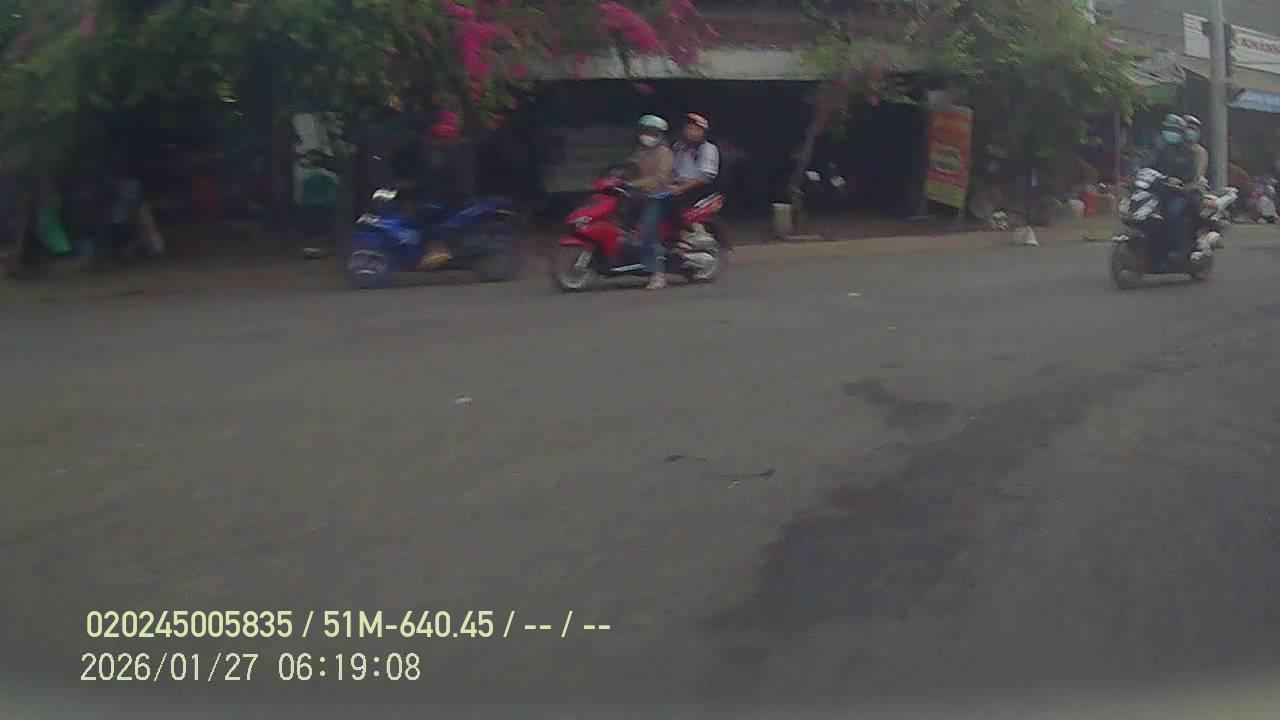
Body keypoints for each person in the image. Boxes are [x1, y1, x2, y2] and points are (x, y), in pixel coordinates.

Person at [630, 114, 674, 290]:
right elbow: (630, 167)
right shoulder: (640, 153)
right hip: (642, 197)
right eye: (645, 132)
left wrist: (636, 183)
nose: (647, 136)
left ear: (660, 135)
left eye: (652, 132)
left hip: (660, 197)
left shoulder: (665, 153)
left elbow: (661, 177)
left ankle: (658, 274)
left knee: (648, 231)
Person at [1152, 114, 1197, 260]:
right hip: (1160, 193)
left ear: (1182, 133)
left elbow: (1190, 174)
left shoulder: (1188, 153)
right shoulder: (1161, 150)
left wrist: (1178, 180)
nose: (1171, 133)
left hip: (1180, 194)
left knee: (1173, 214)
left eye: (1175, 130)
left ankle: (1181, 248)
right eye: (1168, 129)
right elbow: (1150, 167)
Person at [1184, 115, 1209, 190]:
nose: (1190, 131)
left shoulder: (1200, 152)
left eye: (1194, 129)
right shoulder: (1173, 148)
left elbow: (1199, 174)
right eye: (1188, 128)